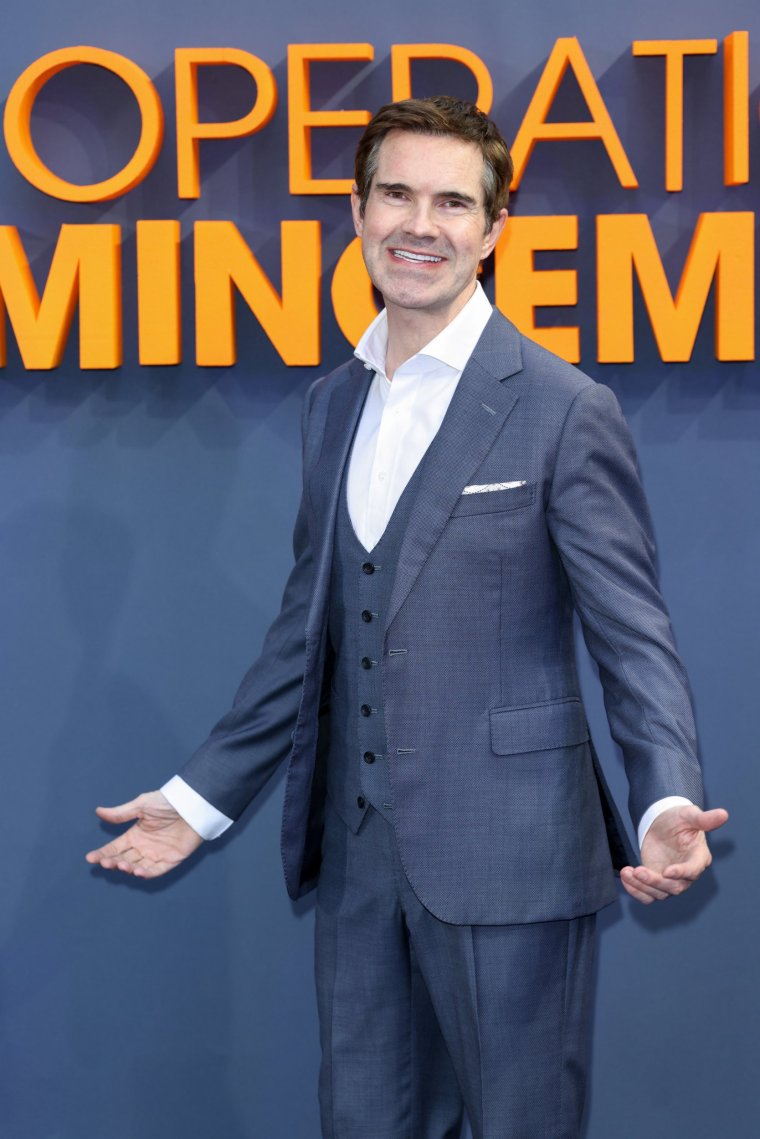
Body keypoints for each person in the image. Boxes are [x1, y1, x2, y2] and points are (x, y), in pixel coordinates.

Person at [87, 96, 728, 1138]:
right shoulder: (332, 401)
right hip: (358, 857)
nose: (417, 224)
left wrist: (664, 798)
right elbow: (310, 629)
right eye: (395, 193)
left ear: (492, 229)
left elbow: (632, 632)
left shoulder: (562, 405)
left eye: (450, 202)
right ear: (357, 209)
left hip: (513, 855)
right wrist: (193, 801)